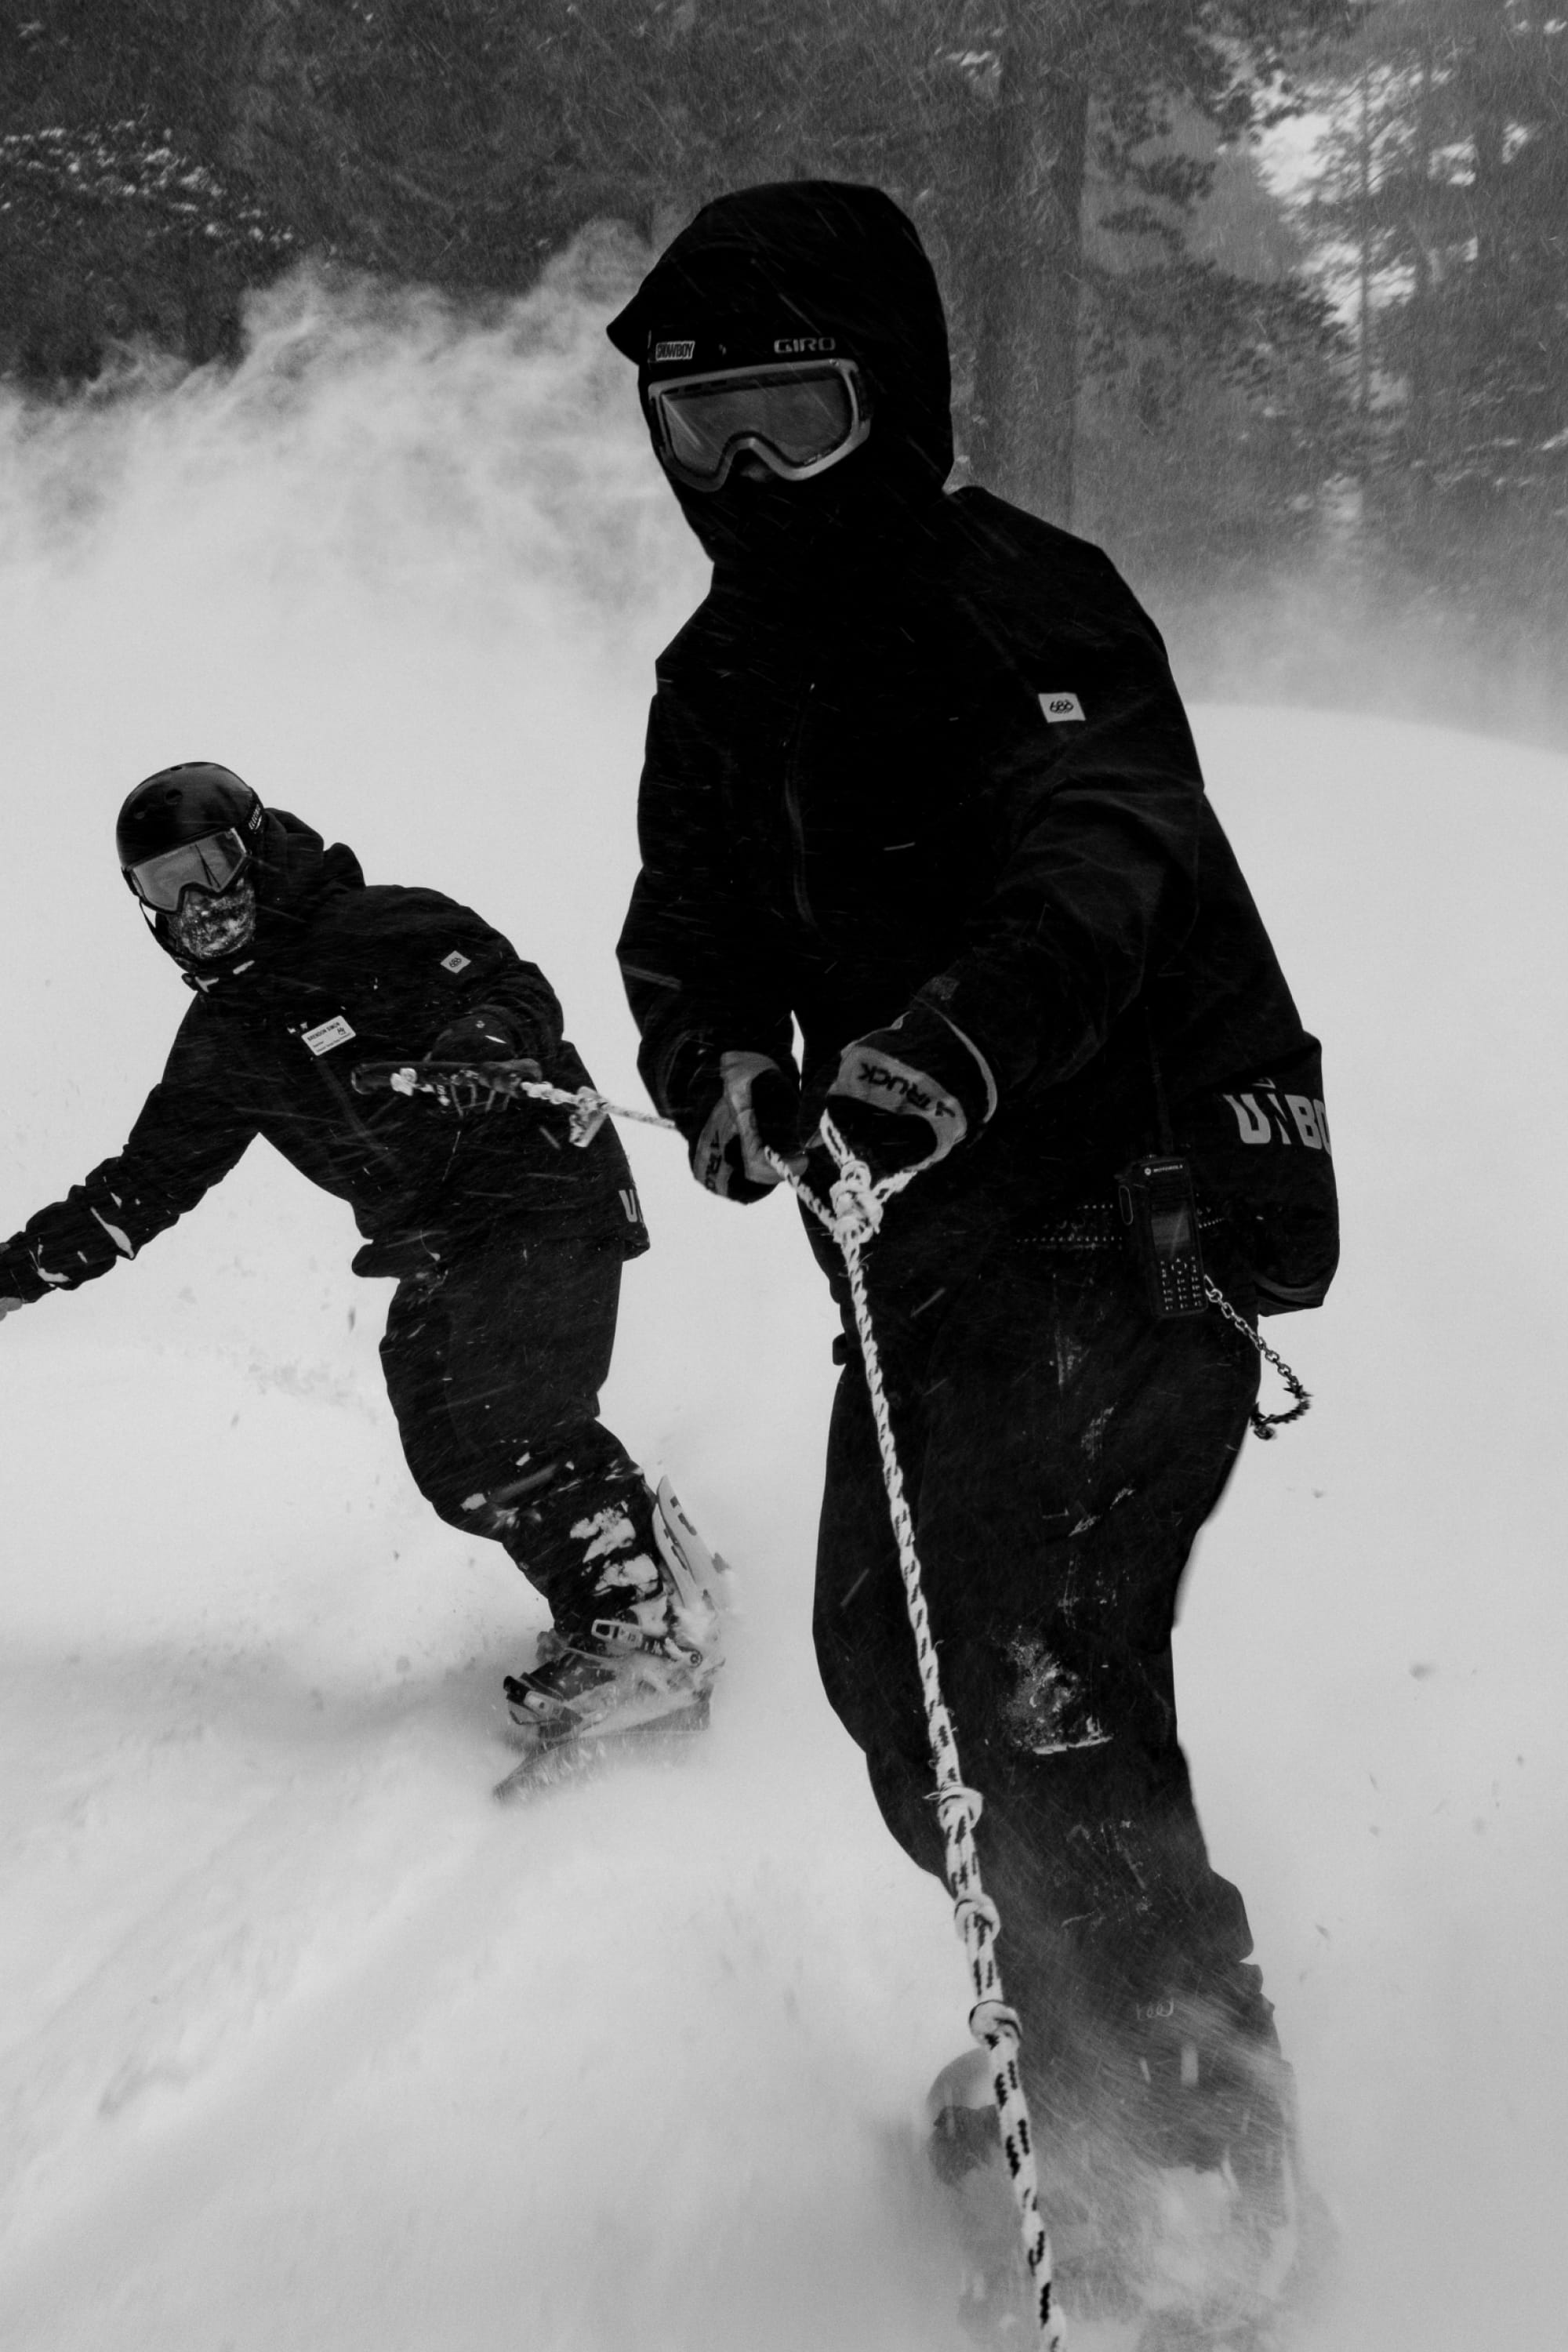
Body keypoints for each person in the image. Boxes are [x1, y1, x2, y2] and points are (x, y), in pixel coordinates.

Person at [606, 183, 1338, 2330]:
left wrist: (945, 1052)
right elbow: (685, 936)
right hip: (921, 1257)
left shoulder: (1030, 603)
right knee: (886, 1657)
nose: (747, 472)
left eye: (793, 415)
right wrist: (724, 1073)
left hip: (1126, 1217)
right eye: (703, 426)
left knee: (1040, 1663)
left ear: (899, 401)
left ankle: (1185, 2122)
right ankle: (1083, 2017)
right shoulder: (715, 676)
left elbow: (1103, 865)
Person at [0, 763, 723, 1764]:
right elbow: (142, 1186)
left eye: (212, 865)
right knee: (451, 1451)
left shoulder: (382, 926)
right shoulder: (226, 1040)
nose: (200, 903)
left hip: (541, 1192)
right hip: (441, 1245)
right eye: (167, 886)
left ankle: (643, 1626)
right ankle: (615, 1591)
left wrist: (482, 1043)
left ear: (256, 848)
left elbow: (514, 986)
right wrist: (14, 1276)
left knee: (509, 1413)